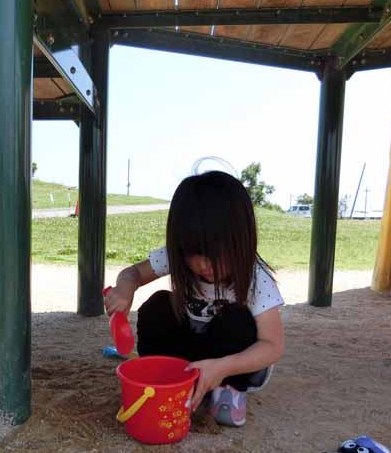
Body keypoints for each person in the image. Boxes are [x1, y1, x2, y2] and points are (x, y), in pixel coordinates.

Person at [104, 171, 284, 427]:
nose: (202, 265)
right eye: (193, 253)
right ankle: (166, 378)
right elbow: (133, 273)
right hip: (192, 353)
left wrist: (222, 367)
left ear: (240, 241)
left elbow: (273, 346)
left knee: (236, 320)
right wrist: (124, 288)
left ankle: (227, 392)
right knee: (158, 306)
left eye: (214, 254)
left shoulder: (257, 279)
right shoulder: (179, 258)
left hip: (233, 363)